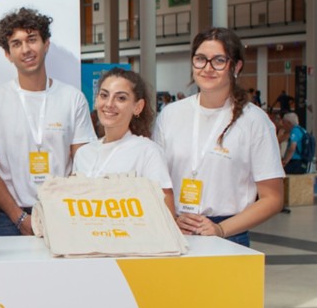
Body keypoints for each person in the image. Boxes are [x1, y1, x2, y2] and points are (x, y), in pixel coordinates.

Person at [154, 27, 284, 247]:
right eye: (200, 59)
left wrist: (220, 229)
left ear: (236, 66)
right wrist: (171, 219)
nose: (208, 68)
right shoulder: (170, 114)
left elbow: (273, 198)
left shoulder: (255, 121)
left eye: (219, 60)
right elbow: (155, 181)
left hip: (229, 233)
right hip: (174, 228)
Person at [0, 7, 96, 236]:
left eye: (32, 39)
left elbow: (84, 162)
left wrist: (59, 209)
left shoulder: (72, 98)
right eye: (16, 44)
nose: (25, 49)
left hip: (64, 213)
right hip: (10, 218)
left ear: (46, 44)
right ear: (7, 54)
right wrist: (18, 217)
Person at [73, 68, 175, 215]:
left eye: (121, 98)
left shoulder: (147, 152)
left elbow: (167, 215)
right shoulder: (83, 154)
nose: (109, 104)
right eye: (104, 95)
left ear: (138, 107)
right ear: (96, 100)